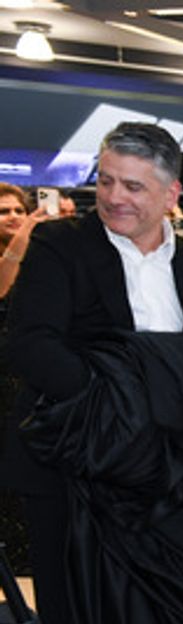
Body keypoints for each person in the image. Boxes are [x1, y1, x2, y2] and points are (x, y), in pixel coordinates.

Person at [1, 121, 183, 624]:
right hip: (73, 474)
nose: (114, 197)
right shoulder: (59, 246)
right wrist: (122, 409)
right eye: (107, 180)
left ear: (172, 195)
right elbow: (29, 343)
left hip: (175, 481)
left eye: (134, 187)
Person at [0, 182, 42, 575]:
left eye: (17, 210)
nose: (13, 217)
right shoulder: (15, 255)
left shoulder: (40, 256)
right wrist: (24, 239)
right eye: (3, 211)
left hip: (31, 370)